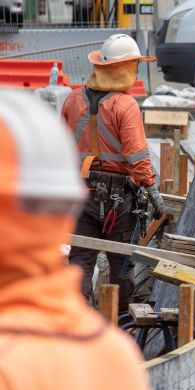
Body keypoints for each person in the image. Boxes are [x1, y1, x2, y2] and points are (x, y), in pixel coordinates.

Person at [0, 90, 152, 390]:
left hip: (94, 190)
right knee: (116, 270)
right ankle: (113, 313)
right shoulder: (117, 361)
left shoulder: (8, 369)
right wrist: (147, 180)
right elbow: (137, 152)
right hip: (114, 192)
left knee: (88, 263)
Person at [63, 33, 164, 312]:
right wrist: (152, 190)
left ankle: (75, 322)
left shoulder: (73, 100)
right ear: (126, 68)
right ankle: (119, 324)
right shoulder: (124, 105)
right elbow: (138, 156)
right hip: (118, 199)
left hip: (81, 194)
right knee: (121, 263)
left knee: (81, 260)